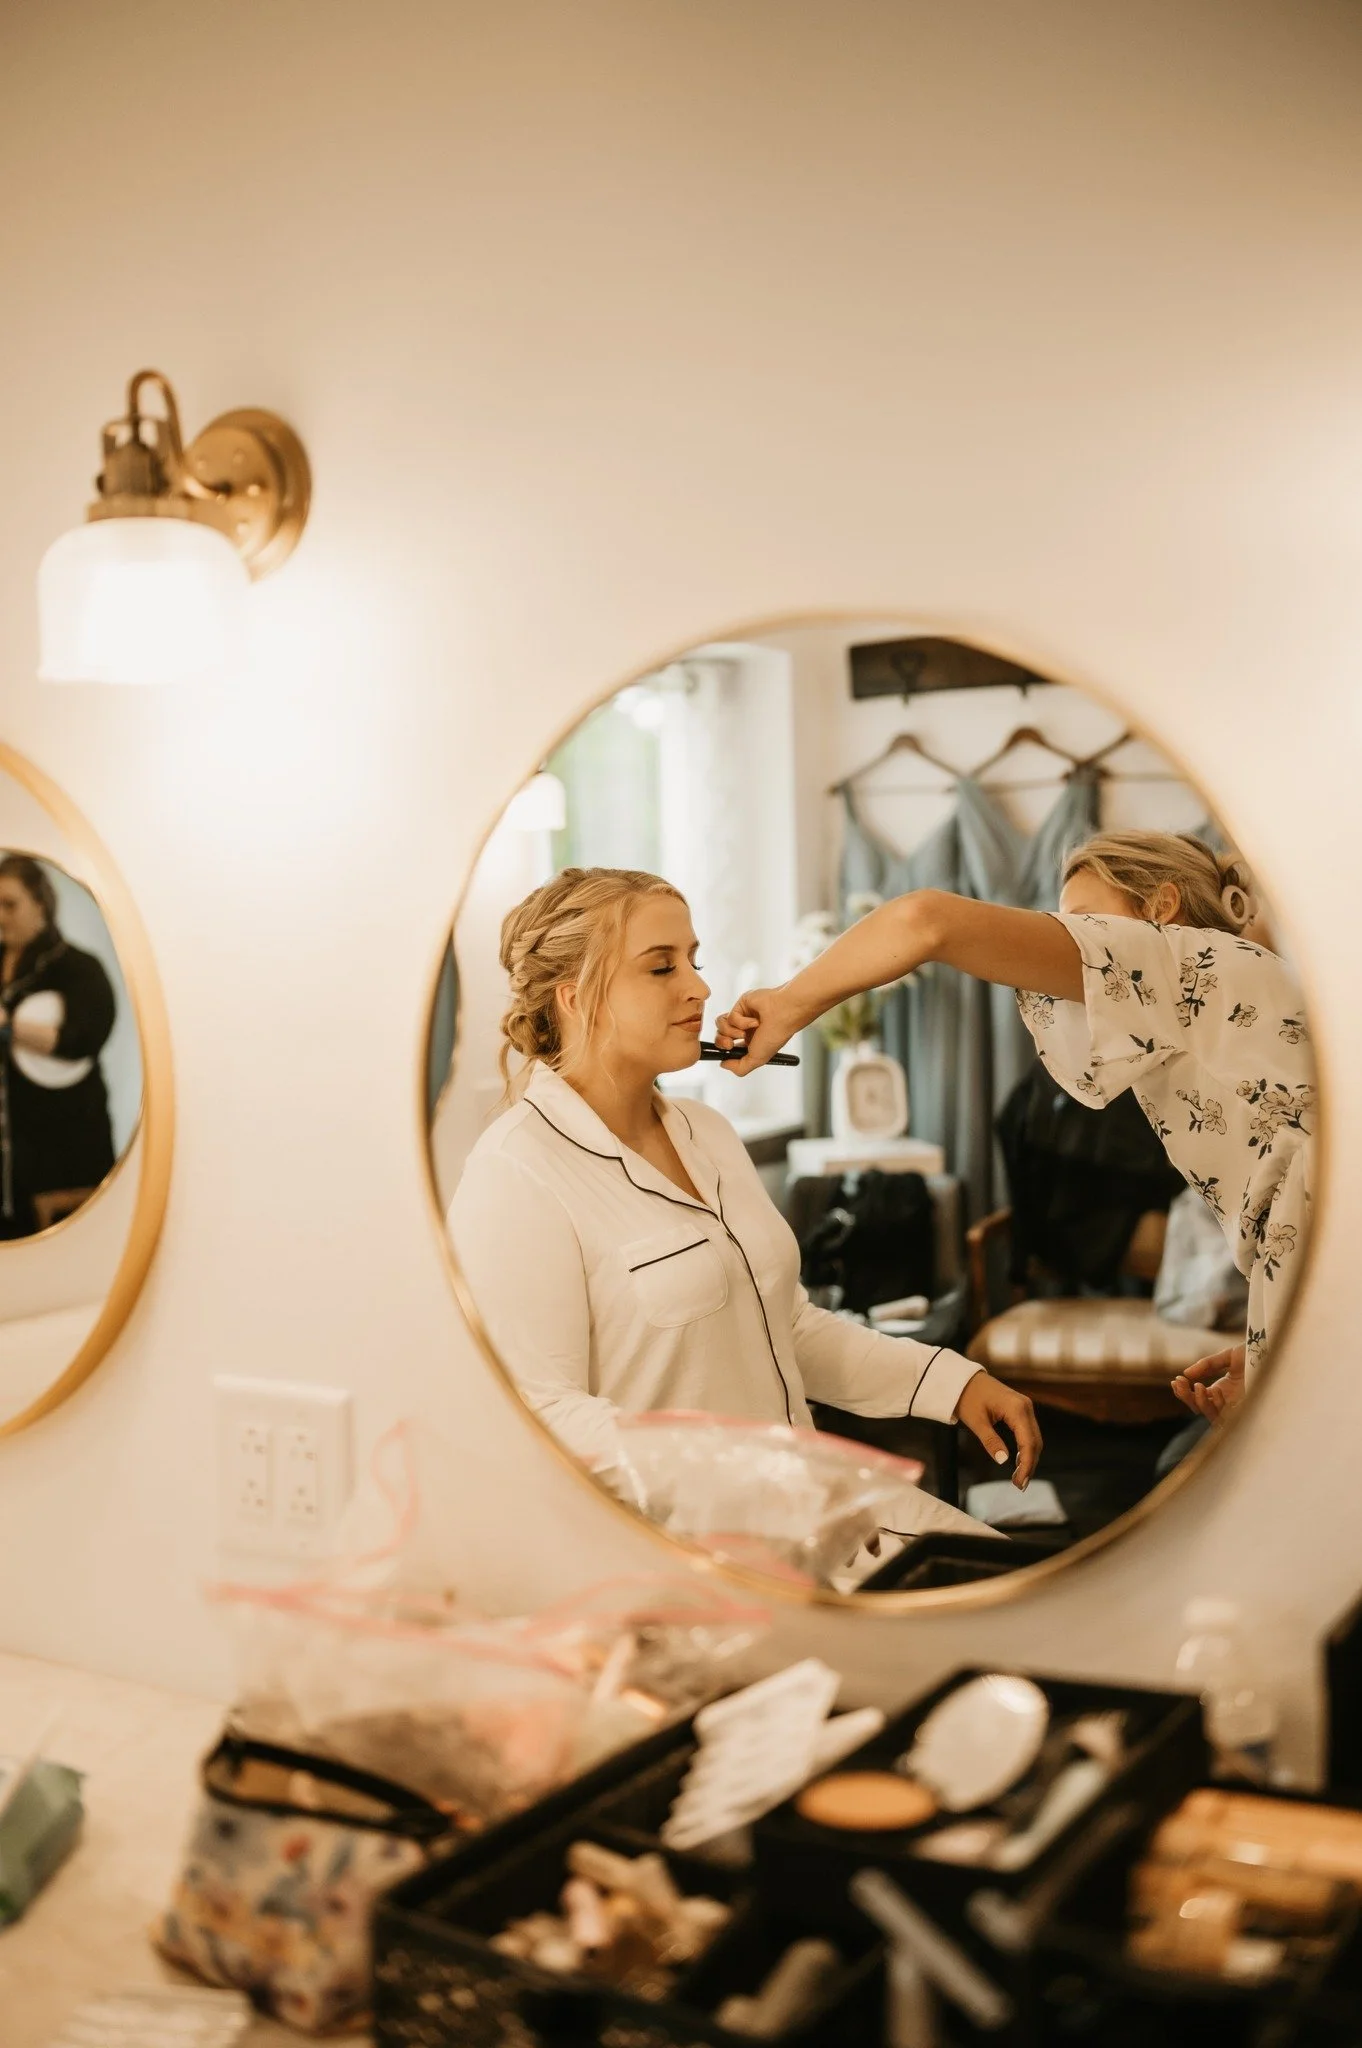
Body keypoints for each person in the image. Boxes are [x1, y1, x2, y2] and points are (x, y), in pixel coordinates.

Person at [448, 867, 1041, 1512]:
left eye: (694, 961)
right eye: (661, 967)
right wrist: (747, 1477)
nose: (699, 987)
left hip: (805, 1505)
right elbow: (541, 1414)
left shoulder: (708, 1132)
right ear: (574, 997)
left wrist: (950, 1382)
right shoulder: (516, 1172)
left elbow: (784, 1327)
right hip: (683, 1539)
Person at [716, 833, 1312, 1425]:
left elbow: (926, 919)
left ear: (1161, 907)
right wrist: (1272, 1340)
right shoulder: (1232, 977)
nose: (1068, 937)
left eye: (1083, 920)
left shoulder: (1181, 960)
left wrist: (787, 1004)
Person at [0, 853, 117, 1239]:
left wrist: (9, 1027)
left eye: (10, 905)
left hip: (62, 1147)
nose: (0, 916)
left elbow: (82, 1038)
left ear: (41, 903)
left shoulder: (78, 969)